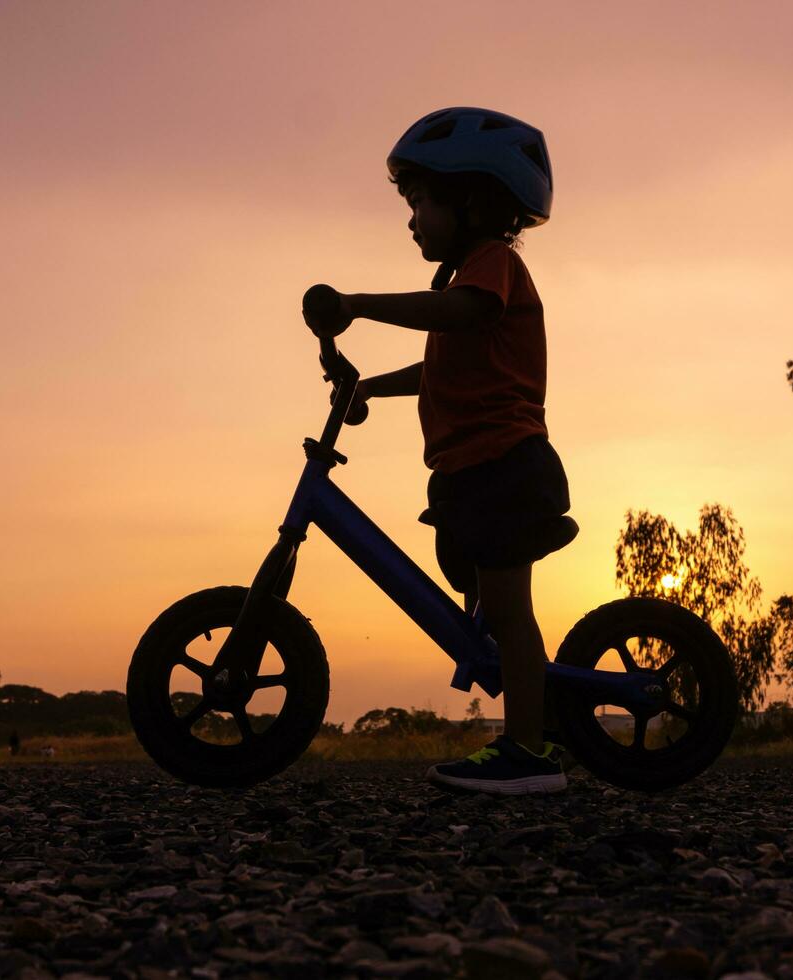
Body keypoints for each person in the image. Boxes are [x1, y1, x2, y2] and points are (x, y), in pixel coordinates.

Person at [303, 107, 571, 795]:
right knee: (485, 604)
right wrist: (369, 387)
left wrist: (358, 303)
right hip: (471, 473)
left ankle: (528, 753)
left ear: (472, 198)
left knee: (510, 612)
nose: (412, 218)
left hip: (506, 465)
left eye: (419, 200)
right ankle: (529, 723)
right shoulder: (464, 286)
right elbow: (442, 370)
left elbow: (464, 316)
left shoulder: (491, 268)